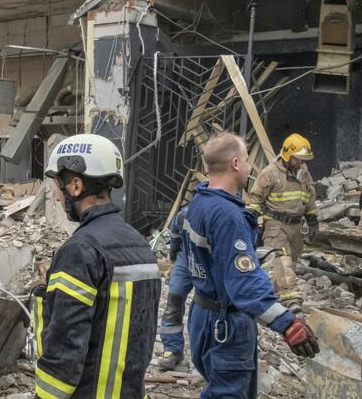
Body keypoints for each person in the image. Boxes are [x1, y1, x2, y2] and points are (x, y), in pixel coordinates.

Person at [181, 132, 319, 398]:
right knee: (228, 393)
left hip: (203, 313)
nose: (248, 165)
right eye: (245, 159)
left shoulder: (199, 201)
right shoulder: (228, 216)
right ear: (235, 164)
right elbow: (244, 285)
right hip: (226, 323)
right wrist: (288, 324)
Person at [33, 134, 161, 399]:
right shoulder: (139, 244)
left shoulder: (80, 251)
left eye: (60, 185)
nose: (58, 195)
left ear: (76, 186)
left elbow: (65, 351)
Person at [247, 133, 317, 314]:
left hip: (295, 226)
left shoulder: (304, 173)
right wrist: (252, 217)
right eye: (299, 159)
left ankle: (274, 296)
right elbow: (255, 197)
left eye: (303, 159)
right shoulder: (270, 173)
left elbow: (309, 195)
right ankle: (292, 301)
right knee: (281, 261)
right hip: (276, 225)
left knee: (290, 263)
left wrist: (312, 218)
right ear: (288, 155)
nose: (301, 162)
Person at [157, 206, 193, 371]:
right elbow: (175, 237)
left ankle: (212, 354)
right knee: (174, 299)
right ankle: (172, 349)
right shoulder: (185, 215)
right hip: (186, 257)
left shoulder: (228, 213)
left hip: (213, 260)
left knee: (209, 305)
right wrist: (173, 257)